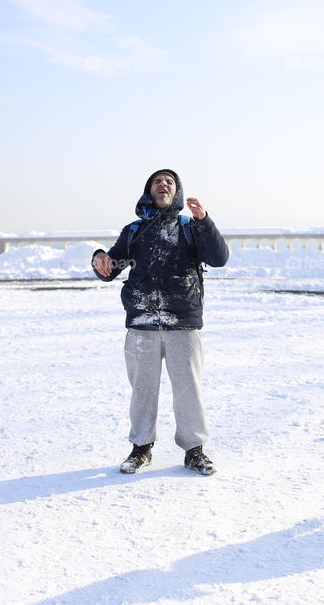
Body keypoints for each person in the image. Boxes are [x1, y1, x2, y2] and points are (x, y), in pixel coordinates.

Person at [92, 169, 229, 476]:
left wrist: (205, 220)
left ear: (176, 192)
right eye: (158, 181)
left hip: (183, 321)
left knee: (188, 389)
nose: (163, 184)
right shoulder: (134, 230)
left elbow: (219, 258)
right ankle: (141, 448)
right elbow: (111, 267)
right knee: (142, 389)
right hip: (141, 322)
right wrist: (100, 257)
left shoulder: (190, 227)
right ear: (149, 190)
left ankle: (194, 451)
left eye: (169, 181)